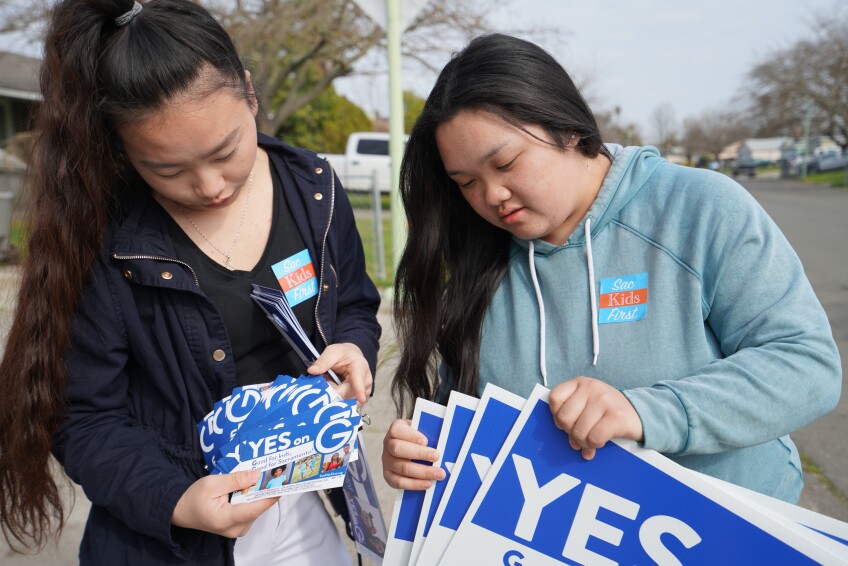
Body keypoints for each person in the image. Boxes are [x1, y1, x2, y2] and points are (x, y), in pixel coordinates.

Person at [382, 34, 841, 504]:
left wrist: (647, 411)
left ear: (569, 128)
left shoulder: (698, 207)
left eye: (506, 163)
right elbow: (467, 418)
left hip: (719, 533)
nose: (492, 195)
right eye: (467, 183)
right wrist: (422, 454)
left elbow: (806, 364)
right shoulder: (481, 259)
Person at [0, 1, 381, 565]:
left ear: (250, 94)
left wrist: (354, 348)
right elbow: (83, 419)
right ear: (124, 151)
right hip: (172, 533)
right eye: (168, 170)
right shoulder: (107, 243)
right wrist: (177, 500)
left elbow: (353, 304)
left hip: (301, 502)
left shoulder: (313, 190)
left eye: (226, 152)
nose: (209, 186)